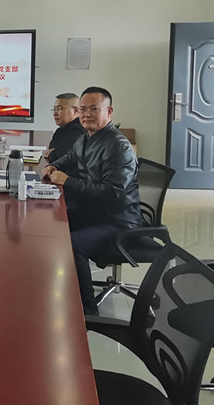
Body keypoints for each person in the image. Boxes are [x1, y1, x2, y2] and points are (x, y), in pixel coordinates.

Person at [42, 86, 140, 315]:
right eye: (83, 109)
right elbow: (69, 158)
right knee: (49, 225)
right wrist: (53, 166)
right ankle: (61, 290)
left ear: (109, 111)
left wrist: (68, 181)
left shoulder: (118, 146)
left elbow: (113, 193)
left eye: (94, 109)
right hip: (94, 211)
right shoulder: (86, 138)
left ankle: (87, 311)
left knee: (72, 244)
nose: (86, 114)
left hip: (117, 221)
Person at [46, 92, 86, 163]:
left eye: (59, 109)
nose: (55, 113)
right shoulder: (61, 129)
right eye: (54, 109)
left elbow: (58, 157)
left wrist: (53, 153)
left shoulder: (78, 130)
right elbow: (51, 150)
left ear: (75, 110)